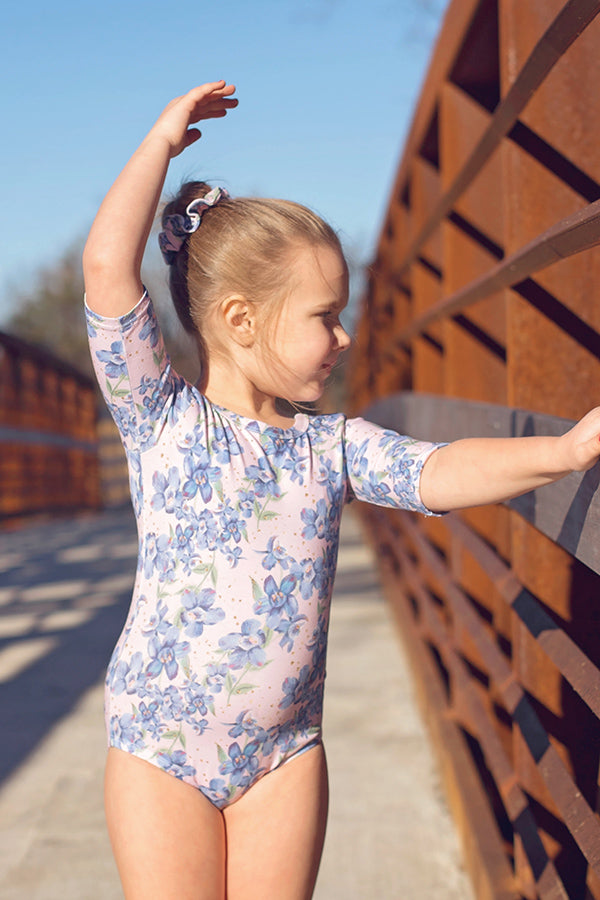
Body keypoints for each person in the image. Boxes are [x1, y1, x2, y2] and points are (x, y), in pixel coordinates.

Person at [83, 82, 600, 900]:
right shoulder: (162, 420)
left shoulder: (334, 448)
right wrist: (158, 145)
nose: (345, 337)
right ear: (243, 320)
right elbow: (109, 270)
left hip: (284, 756)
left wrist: (567, 450)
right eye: (324, 316)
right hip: (160, 748)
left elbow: (440, 470)